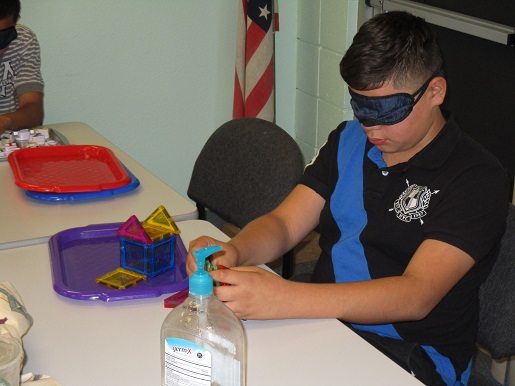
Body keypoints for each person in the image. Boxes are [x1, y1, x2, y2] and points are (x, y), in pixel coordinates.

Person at [186, 11, 510, 386]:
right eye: (362, 109)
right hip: (323, 321)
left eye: (387, 112)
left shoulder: (477, 176)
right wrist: (235, 252)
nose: (372, 128)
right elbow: (285, 223)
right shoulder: (349, 139)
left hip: (411, 354)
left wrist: (285, 298)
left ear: (435, 92)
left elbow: (415, 294)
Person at [0, 0, 43, 135]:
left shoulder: (23, 41)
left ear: (15, 21)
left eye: (4, 37)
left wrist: (5, 121)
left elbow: (34, 111)